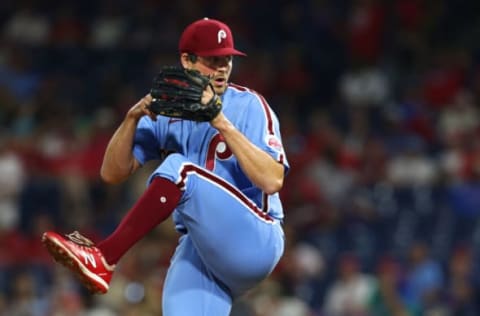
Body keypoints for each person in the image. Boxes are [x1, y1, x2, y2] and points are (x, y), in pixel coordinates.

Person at [42, 17, 289, 316]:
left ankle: (104, 257)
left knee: (179, 168)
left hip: (255, 237)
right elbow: (112, 173)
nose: (223, 67)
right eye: (213, 60)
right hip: (201, 247)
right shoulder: (170, 111)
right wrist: (131, 119)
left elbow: (273, 180)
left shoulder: (250, 105)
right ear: (187, 60)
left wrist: (221, 121)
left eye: (227, 59)